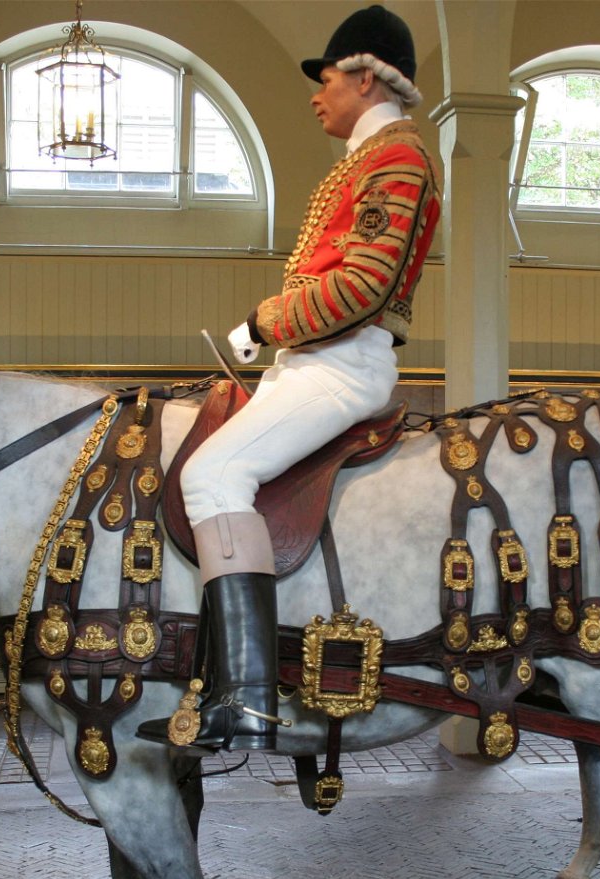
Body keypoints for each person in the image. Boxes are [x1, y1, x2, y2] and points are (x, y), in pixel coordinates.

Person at [140, 4, 441, 754]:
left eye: (329, 77)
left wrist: (263, 322)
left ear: (368, 78)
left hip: (342, 365)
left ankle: (243, 696)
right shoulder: (364, 161)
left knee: (210, 477)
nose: (317, 93)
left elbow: (362, 285)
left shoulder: (397, 160)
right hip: (312, 362)